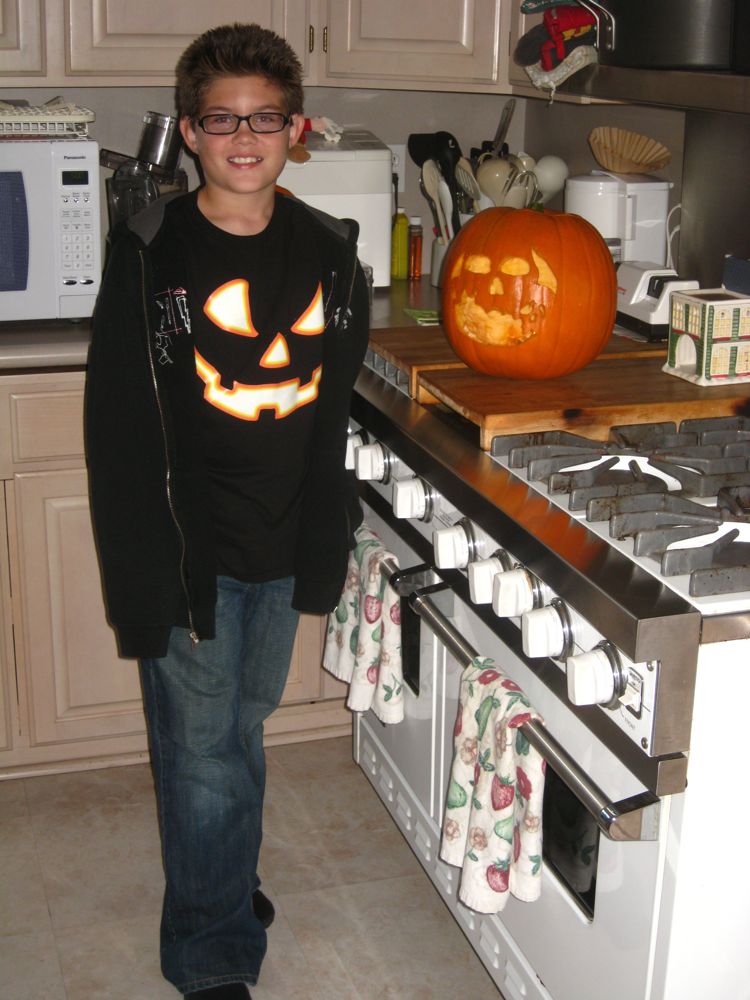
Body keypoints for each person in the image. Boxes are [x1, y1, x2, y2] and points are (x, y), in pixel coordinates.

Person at [85, 22, 369, 1000]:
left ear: (296, 128)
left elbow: (328, 413)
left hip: (285, 537)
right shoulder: (149, 251)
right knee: (204, 751)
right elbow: (117, 428)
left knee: (240, 727)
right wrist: (138, 573)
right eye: (221, 119)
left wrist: (328, 542)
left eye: (263, 118)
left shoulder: (333, 255)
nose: (243, 137)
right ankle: (210, 950)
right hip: (186, 544)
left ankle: (221, 880)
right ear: (192, 132)